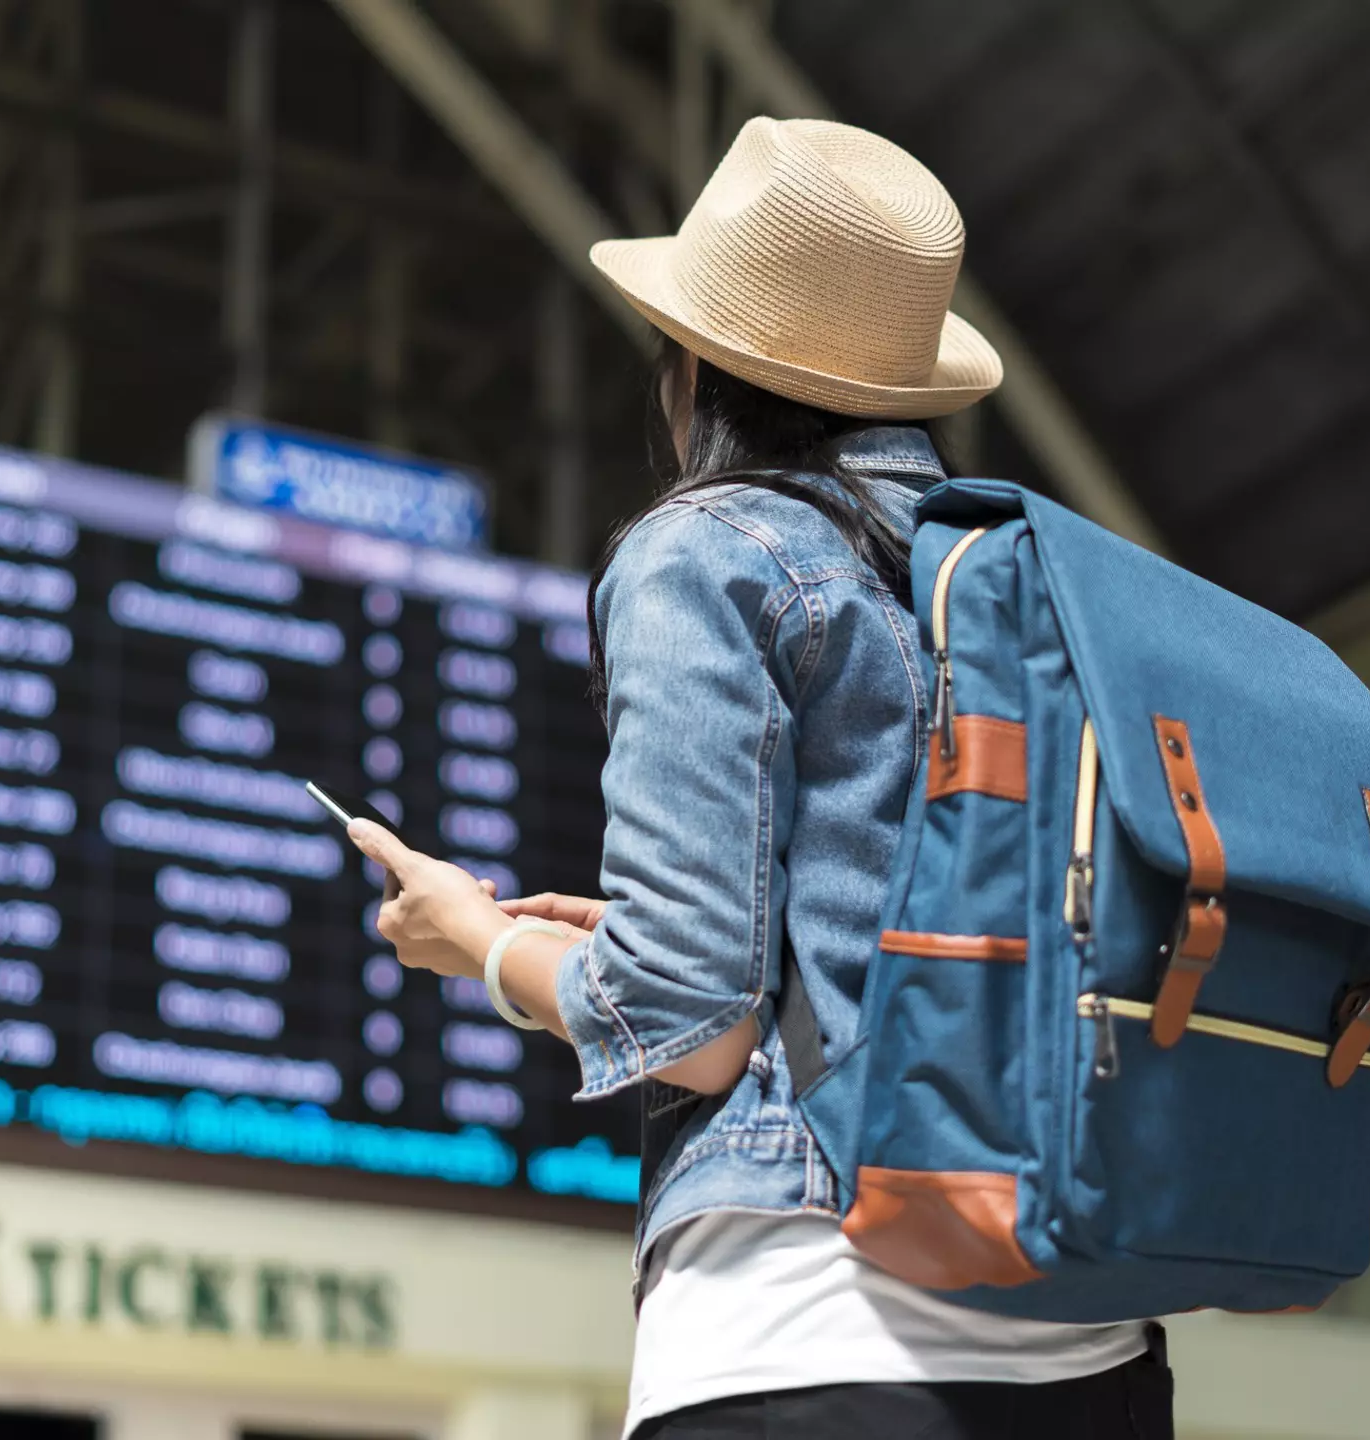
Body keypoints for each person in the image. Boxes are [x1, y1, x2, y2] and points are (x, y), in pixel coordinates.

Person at [351, 118, 1173, 1439]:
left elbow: (689, 1025)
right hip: (1095, 1351)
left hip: (809, 1333)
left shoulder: (714, 550)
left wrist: (483, 949)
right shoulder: (1034, 577)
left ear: (694, 368)